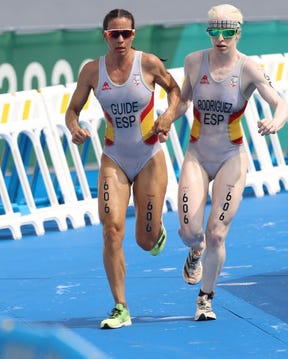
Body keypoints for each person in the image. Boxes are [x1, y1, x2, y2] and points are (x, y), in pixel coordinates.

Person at [65, 8, 180, 329]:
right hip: (113, 158)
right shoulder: (91, 71)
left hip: (149, 156)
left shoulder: (149, 63)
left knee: (144, 240)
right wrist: (73, 127)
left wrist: (168, 116)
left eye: (126, 33)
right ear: (104, 36)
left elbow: (175, 90)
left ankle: (155, 231)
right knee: (111, 230)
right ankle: (120, 306)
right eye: (114, 34)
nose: (120, 39)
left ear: (134, 34)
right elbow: (72, 109)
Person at [174, 4, 288, 321]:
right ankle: (194, 251)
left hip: (231, 157)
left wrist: (276, 121)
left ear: (239, 32)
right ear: (208, 32)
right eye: (214, 31)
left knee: (217, 234)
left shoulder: (249, 68)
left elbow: (281, 103)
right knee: (189, 232)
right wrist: (165, 119)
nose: (221, 38)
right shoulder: (194, 62)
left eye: (228, 32)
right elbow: (184, 100)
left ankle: (205, 298)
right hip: (197, 155)